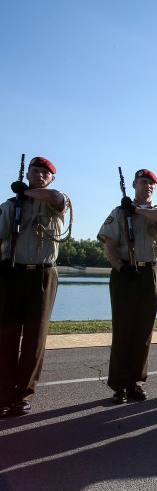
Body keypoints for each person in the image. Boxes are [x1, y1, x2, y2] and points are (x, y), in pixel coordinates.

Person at [98, 168, 157, 405]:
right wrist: (121, 267)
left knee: (144, 332)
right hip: (126, 272)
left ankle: (136, 383)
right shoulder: (119, 213)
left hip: (151, 271)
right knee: (123, 331)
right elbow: (108, 246)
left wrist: (138, 210)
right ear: (133, 184)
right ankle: (119, 385)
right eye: (143, 182)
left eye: (151, 184)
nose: (147, 186)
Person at [0, 157, 69, 417]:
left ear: (51, 178)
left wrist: (26, 191)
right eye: (35, 170)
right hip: (12, 274)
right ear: (27, 173)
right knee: (6, 337)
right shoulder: (10, 205)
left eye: (45, 173)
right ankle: (3, 393)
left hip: (42, 275)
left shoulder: (56, 202)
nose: (40, 174)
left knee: (34, 338)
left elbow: (55, 198)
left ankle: (22, 394)